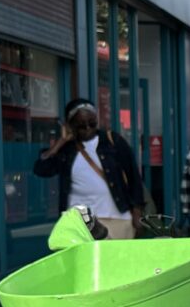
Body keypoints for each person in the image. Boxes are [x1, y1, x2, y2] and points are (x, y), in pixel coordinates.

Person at [34, 98, 145, 238]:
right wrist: (59, 143)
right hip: (79, 222)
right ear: (70, 125)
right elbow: (41, 170)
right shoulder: (66, 150)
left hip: (116, 218)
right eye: (81, 125)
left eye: (92, 123)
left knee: (115, 259)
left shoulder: (112, 141)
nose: (88, 128)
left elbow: (133, 176)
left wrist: (137, 211)